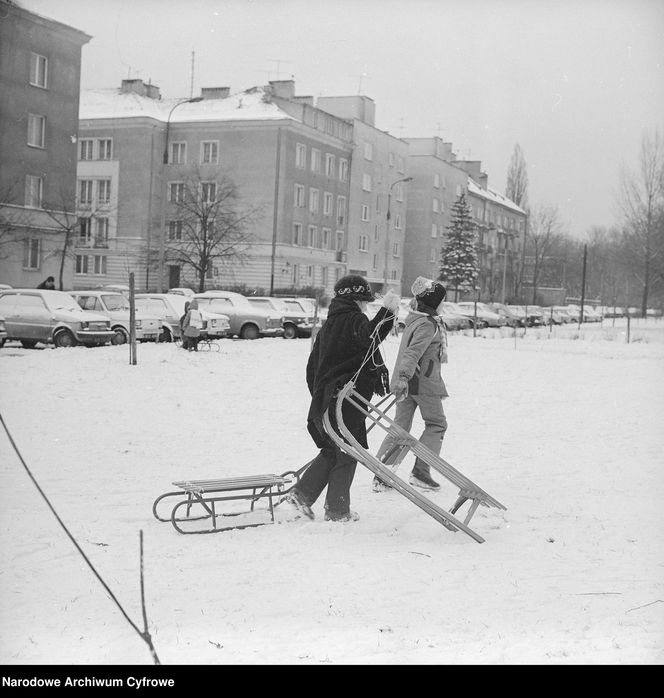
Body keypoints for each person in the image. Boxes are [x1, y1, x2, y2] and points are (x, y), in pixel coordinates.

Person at [285, 275, 400, 522]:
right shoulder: (352, 320)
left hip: (330, 397)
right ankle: (337, 510)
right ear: (355, 299)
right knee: (348, 450)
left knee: (333, 447)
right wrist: (387, 312)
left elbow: (312, 367)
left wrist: (321, 392)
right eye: (365, 301)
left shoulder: (331, 323)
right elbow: (371, 338)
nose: (366, 307)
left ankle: (302, 495)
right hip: (347, 399)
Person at [373, 276, 449, 492]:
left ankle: (382, 474)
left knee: (400, 428)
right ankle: (421, 472)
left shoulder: (415, 319)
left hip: (406, 383)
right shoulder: (428, 325)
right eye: (442, 300)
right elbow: (412, 353)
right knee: (437, 424)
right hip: (422, 383)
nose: (444, 304)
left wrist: (402, 379)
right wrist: (405, 377)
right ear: (435, 303)